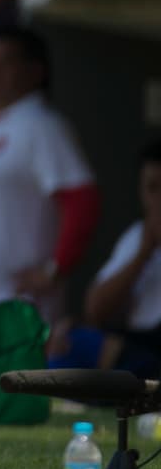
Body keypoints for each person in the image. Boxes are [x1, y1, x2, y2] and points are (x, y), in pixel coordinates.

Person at [0, 27, 99, 341]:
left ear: (35, 71)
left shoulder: (44, 126)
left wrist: (55, 269)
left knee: (19, 388)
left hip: (18, 304)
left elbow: (83, 202)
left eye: (6, 63)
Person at [78, 137, 161, 378]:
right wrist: (144, 253)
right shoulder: (137, 236)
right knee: (75, 341)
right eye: (152, 188)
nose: (158, 200)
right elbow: (95, 310)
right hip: (135, 346)